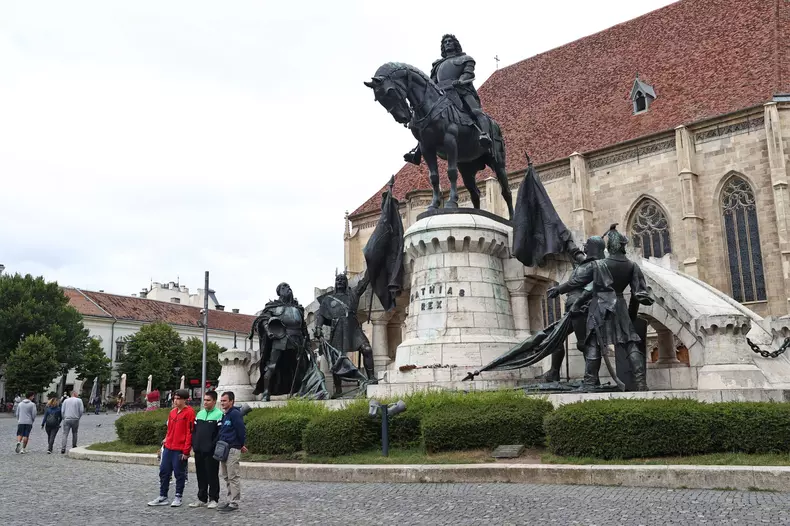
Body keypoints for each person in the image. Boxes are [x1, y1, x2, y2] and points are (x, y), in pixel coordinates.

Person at [403, 34, 491, 166]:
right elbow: (431, 82)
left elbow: (468, 73)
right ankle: (417, 151)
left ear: (455, 44)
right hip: (442, 94)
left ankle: (485, 135)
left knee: (476, 111)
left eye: (450, 41)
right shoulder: (437, 65)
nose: (448, 43)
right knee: (426, 119)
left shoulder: (466, 59)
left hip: (460, 91)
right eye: (445, 42)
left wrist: (460, 81)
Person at [541, 236, 606, 382]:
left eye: (587, 244)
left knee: (584, 343)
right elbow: (575, 252)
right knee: (556, 338)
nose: (584, 245)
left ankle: (591, 378)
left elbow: (577, 282)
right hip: (572, 307)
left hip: (581, 307)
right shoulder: (585, 262)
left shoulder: (595, 265)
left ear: (593, 248)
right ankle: (554, 372)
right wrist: (566, 237)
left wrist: (559, 289)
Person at [314, 272, 376, 396]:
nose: (340, 281)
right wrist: (318, 327)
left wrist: (371, 267)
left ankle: (371, 379)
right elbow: (321, 315)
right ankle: (338, 389)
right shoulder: (328, 299)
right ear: (335, 283)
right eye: (338, 279)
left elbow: (364, 283)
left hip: (353, 328)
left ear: (346, 282)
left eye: (343, 279)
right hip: (338, 329)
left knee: (367, 349)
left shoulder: (353, 294)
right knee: (337, 359)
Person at [148, 389, 195, 508]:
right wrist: (166, 439)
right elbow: (169, 429)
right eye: (174, 398)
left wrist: (186, 451)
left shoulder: (189, 412)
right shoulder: (172, 412)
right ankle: (163, 496)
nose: (175, 401)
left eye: (178, 398)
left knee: (179, 473)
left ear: (185, 400)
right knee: (164, 471)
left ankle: (178, 496)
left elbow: (189, 432)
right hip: (168, 447)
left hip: (179, 448)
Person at [189, 391, 223, 509]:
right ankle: (201, 498)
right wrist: (195, 444)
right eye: (204, 400)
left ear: (214, 401)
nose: (205, 402)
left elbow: (219, 434)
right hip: (199, 450)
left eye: (208, 400)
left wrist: (211, 446)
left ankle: (213, 498)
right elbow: (194, 431)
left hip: (211, 451)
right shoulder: (200, 414)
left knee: (212, 475)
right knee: (201, 475)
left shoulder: (219, 414)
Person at [216, 391, 247, 512]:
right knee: (226, 476)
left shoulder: (235, 414)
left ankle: (234, 502)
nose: (222, 403)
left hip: (233, 448)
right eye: (221, 401)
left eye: (225, 401)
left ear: (231, 401)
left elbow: (241, 430)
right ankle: (230, 499)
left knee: (233, 476)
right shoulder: (225, 415)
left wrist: (240, 445)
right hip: (224, 449)